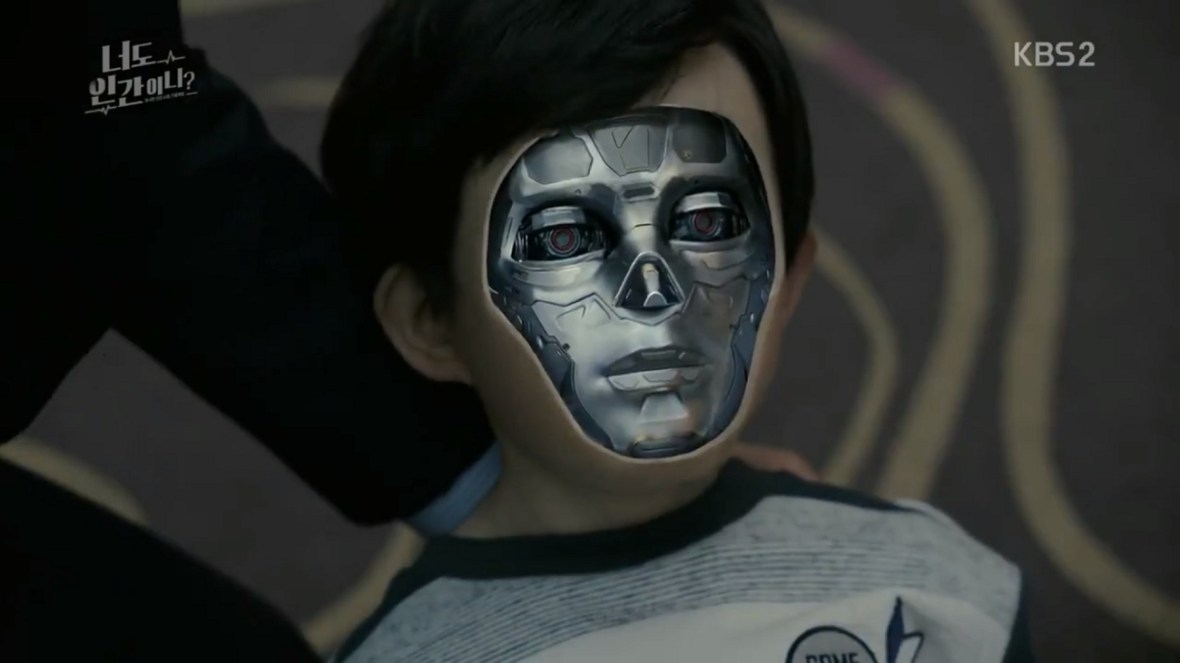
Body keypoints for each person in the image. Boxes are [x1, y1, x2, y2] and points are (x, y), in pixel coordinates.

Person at [322, 0, 1036, 660]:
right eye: (567, 236)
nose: (655, 290)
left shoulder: (944, 593)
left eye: (706, 221)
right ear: (431, 322)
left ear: (787, 279)